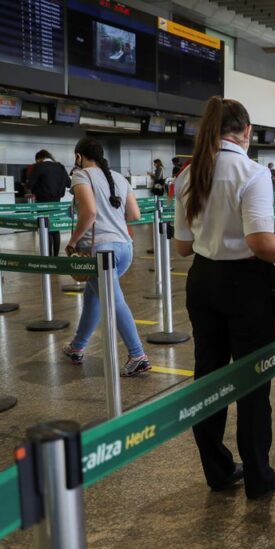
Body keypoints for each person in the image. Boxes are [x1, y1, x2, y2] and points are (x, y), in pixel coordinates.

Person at [173, 96, 275, 500]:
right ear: (246, 132)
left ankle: (219, 470)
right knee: (252, 382)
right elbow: (261, 242)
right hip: (246, 286)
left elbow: (182, 247)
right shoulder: (252, 172)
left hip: (203, 282)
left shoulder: (188, 175)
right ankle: (259, 478)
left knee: (208, 378)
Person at [62, 137, 151, 377]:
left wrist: (71, 242)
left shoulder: (81, 175)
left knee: (114, 301)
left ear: (79, 156)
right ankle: (77, 347)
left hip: (99, 250)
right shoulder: (119, 178)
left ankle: (137, 355)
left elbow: (89, 212)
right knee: (94, 296)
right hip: (124, 248)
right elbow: (134, 214)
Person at [27, 149, 71, 256]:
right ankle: (55, 256)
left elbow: (30, 184)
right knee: (55, 229)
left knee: (45, 229)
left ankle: (48, 256)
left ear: (39, 158)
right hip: (57, 203)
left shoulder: (40, 166)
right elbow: (69, 183)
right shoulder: (60, 166)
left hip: (43, 203)